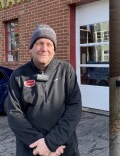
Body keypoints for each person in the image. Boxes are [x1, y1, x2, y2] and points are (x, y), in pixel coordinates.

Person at [7, 24, 82, 156]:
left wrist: (51, 143)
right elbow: (14, 114)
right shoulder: (18, 76)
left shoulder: (66, 71)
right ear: (30, 48)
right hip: (31, 149)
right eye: (39, 43)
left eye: (49, 44)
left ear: (54, 49)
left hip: (64, 148)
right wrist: (39, 143)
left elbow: (74, 109)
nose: (44, 48)